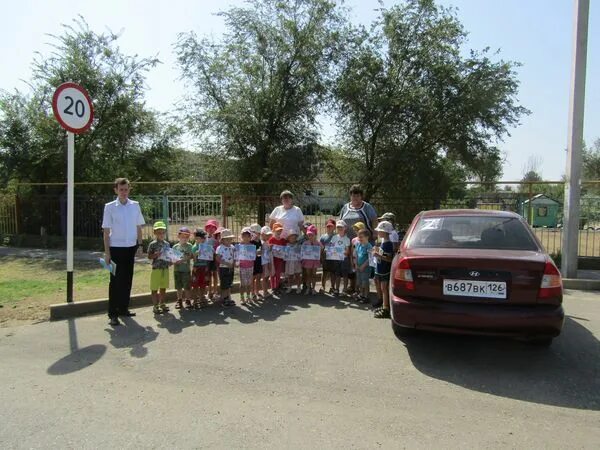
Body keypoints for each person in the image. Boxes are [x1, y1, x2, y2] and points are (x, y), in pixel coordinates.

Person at [102, 177, 145, 326]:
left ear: (129, 189)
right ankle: (113, 313)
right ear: (116, 190)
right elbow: (106, 231)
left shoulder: (135, 205)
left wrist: (140, 245)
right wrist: (107, 253)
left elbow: (139, 226)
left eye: (126, 189)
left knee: (127, 279)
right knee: (115, 281)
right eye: (121, 189)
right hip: (116, 248)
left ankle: (123, 309)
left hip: (130, 247)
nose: (124, 192)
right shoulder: (109, 207)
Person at [147, 221, 171, 315]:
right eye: (159, 232)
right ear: (155, 233)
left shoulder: (167, 244)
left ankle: (162, 304)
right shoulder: (152, 244)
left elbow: (169, 255)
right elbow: (149, 256)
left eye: (163, 232)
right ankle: (155, 306)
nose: (161, 234)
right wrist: (156, 255)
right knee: (154, 288)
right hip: (156, 269)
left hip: (165, 268)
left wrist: (170, 261)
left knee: (163, 288)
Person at [373, 221, 394, 319]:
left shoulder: (388, 244)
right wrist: (377, 251)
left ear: (385, 232)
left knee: (384, 289)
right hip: (380, 268)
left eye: (380, 231)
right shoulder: (382, 242)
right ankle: (383, 305)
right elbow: (384, 254)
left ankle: (386, 308)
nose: (378, 232)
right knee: (382, 288)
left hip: (385, 269)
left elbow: (389, 258)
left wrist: (378, 255)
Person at [173, 227, 194, 309]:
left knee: (187, 286)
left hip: (186, 270)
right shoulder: (175, 247)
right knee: (178, 287)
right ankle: (179, 300)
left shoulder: (190, 246)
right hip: (177, 270)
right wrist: (174, 261)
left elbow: (191, 256)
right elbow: (173, 257)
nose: (185, 238)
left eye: (187, 237)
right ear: (178, 236)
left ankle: (188, 300)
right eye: (183, 236)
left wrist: (182, 260)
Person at [215, 228, 236, 307]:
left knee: (229, 283)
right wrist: (226, 263)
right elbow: (218, 258)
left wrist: (234, 263)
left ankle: (228, 298)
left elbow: (234, 256)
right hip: (223, 268)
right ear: (222, 240)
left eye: (230, 239)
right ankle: (223, 299)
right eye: (226, 239)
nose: (229, 241)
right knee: (224, 284)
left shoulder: (232, 247)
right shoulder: (220, 248)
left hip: (231, 268)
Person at [332, 220, 352, 296]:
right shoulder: (334, 237)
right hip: (336, 259)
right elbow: (331, 247)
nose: (339, 229)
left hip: (344, 259)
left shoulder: (347, 239)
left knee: (345, 275)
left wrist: (344, 252)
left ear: (345, 228)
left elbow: (347, 251)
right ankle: (336, 289)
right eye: (338, 227)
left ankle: (344, 290)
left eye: (341, 227)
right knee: (337, 274)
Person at [353, 229, 373, 304]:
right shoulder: (358, 244)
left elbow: (369, 258)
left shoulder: (369, 246)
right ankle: (361, 294)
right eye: (358, 237)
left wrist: (363, 266)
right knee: (360, 282)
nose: (359, 238)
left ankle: (366, 296)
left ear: (367, 237)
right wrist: (356, 264)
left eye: (361, 237)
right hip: (358, 267)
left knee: (365, 282)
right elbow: (356, 255)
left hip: (365, 268)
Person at [191, 229, 209, 308]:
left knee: (203, 284)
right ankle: (195, 300)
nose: (199, 240)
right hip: (197, 267)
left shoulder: (206, 246)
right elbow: (194, 260)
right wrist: (196, 254)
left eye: (201, 238)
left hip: (204, 267)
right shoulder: (194, 247)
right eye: (197, 238)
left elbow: (209, 257)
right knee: (195, 285)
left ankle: (202, 298)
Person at [301, 225, 320, 295]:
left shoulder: (318, 243)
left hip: (315, 262)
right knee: (308, 275)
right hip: (307, 262)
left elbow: (322, 249)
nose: (310, 236)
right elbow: (302, 252)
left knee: (314, 275)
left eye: (312, 235)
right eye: (309, 235)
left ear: (315, 235)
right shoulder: (305, 243)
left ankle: (313, 288)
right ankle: (308, 288)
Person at [319, 218, 336, 294]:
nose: (329, 228)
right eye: (328, 226)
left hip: (334, 258)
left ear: (334, 227)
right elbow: (320, 248)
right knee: (324, 272)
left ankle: (332, 287)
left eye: (331, 226)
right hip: (325, 257)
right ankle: (323, 286)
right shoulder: (323, 237)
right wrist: (321, 257)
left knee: (333, 273)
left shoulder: (337, 237)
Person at [238, 227, 255, 306]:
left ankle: (248, 297)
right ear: (241, 236)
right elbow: (236, 256)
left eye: (248, 236)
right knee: (242, 284)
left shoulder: (252, 246)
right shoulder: (239, 246)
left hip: (250, 266)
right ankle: (242, 298)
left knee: (249, 283)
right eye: (244, 236)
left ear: (250, 237)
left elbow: (254, 256)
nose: (246, 238)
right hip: (242, 267)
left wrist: (257, 253)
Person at [268, 222, 287, 293]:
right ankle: (273, 287)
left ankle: (277, 286)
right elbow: (268, 249)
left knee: (278, 273)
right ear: (273, 230)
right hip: (273, 260)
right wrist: (270, 247)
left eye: (280, 230)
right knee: (272, 273)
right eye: (277, 230)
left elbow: (286, 248)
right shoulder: (271, 240)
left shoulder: (283, 240)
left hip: (280, 260)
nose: (279, 232)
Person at [205, 219, 220, 301]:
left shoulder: (217, 239)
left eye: (213, 227)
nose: (210, 229)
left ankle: (215, 291)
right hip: (207, 259)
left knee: (215, 275)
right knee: (208, 276)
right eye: (208, 227)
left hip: (214, 259)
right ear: (206, 229)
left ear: (215, 229)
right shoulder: (204, 238)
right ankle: (209, 291)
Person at [285, 228, 302, 294]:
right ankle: (289, 287)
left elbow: (301, 254)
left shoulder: (299, 245)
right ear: (288, 238)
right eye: (291, 237)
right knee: (290, 276)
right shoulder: (286, 245)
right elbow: (284, 254)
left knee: (298, 275)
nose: (293, 238)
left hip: (297, 262)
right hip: (289, 263)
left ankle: (298, 287)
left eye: (294, 237)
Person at [250, 223, 263, 301]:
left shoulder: (259, 241)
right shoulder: (251, 242)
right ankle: (252, 293)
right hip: (253, 262)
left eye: (258, 233)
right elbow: (249, 253)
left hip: (259, 261)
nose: (257, 234)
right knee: (253, 278)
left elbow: (261, 250)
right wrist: (255, 253)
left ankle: (257, 291)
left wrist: (261, 252)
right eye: (255, 233)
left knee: (258, 277)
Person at [260, 226, 274, 298]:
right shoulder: (262, 243)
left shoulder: (266, 242)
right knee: (265, 277)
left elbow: (267, 252)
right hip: (265, 263)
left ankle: (265, 290)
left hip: (268, 261)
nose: (269, 236)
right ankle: (264, 292)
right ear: (262, 234)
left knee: (267, 276)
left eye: (269, 235)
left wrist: (270, 248)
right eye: (267, 235)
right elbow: (264, 254)